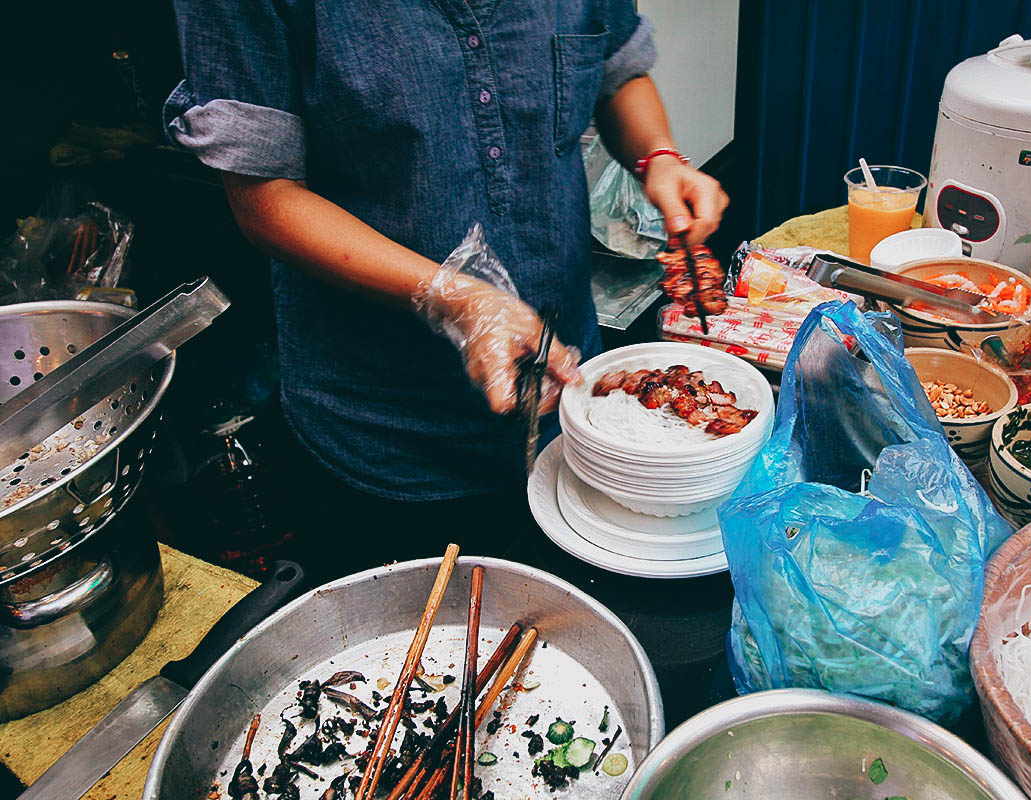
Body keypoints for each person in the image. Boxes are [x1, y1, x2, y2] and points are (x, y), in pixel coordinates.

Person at [165, 1, 728, 574]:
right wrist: (455, 297)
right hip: (384, 432)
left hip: (573, 404)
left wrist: (658, 156)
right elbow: (263, 197)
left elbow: (614, 67)